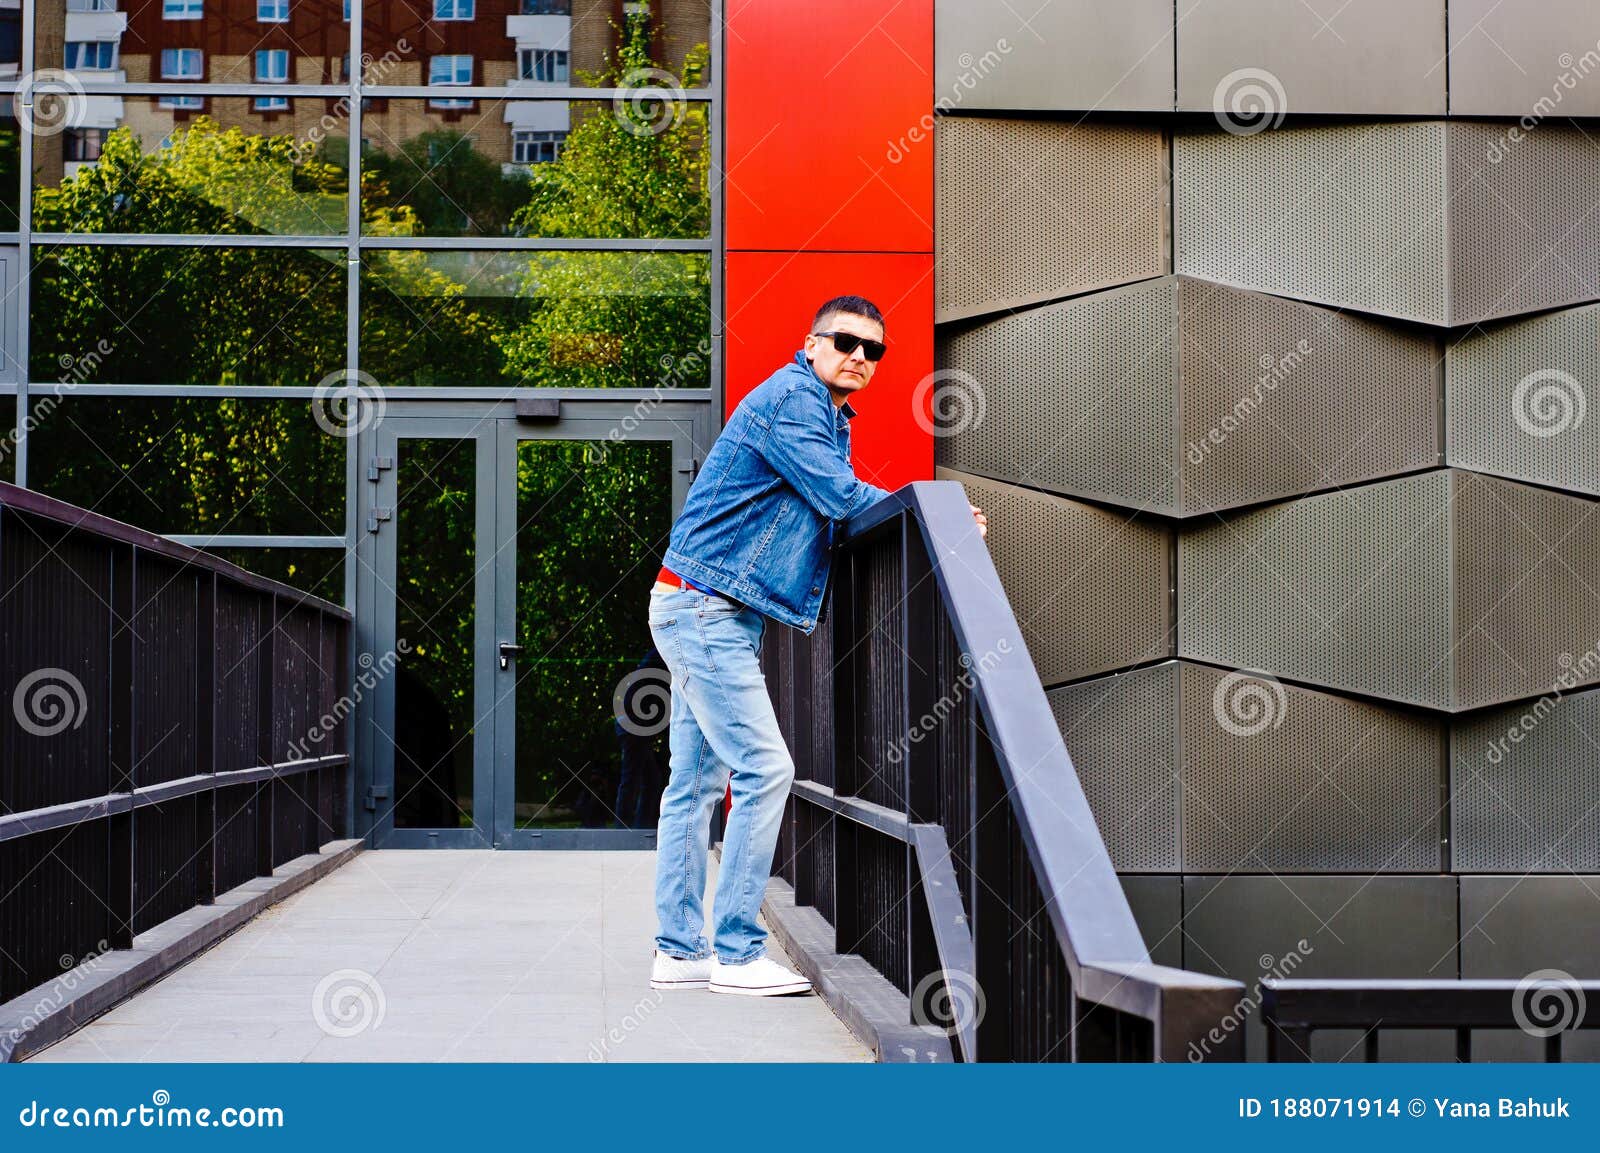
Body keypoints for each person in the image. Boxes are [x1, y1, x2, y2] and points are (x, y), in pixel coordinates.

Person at [645, 295, 987, 995]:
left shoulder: (828, 415)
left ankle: (679, 952)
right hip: (704, 610)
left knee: (695, 785)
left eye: (874, 350)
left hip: (704, 607)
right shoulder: (796, 400)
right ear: (811, 342)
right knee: (766, 770)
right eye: (846, 341)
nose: (860, 357)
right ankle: (736, 953)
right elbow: (838, 496)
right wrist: (940, 518)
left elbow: (822, 513)